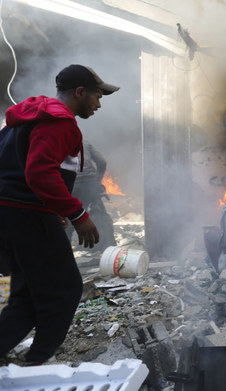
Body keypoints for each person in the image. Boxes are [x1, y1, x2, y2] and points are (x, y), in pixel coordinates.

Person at [0, 64, 119, 364]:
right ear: (80, 92)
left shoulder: (29, 117)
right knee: (65, 289)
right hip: (27, 216)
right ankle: (37, 360)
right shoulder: (60, 122)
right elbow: (39, 173)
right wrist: (78, 214)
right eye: (96, 96)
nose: (99, 104)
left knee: (27, 292)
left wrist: (51, 208)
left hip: (14, 214)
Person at [65, 140, 117, 250]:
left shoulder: (55, 142)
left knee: (69, 218)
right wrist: (97, 181)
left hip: (72, 183)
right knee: (99, 214)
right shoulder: (83, 142)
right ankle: (109, 248)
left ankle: (64, 252)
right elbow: (102, 162)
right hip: (90, 183)